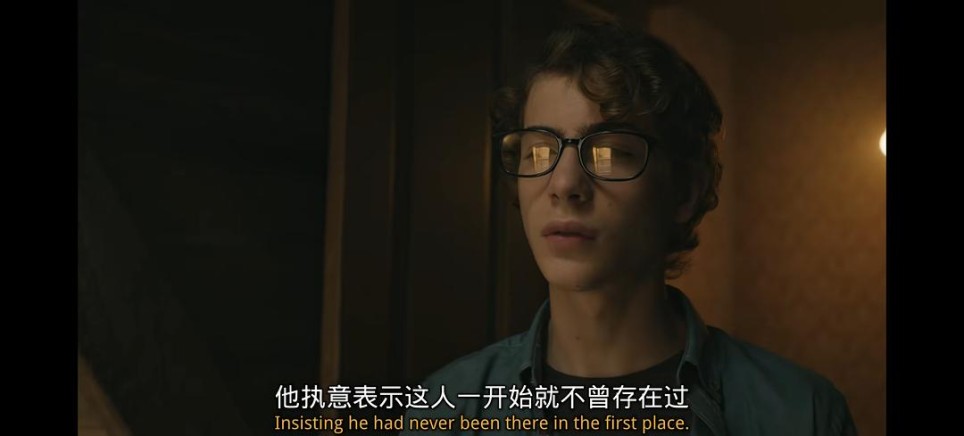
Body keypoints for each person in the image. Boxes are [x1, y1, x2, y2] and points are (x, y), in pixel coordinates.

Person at [401, 22, 856, 436]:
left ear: (684, 191)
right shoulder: (447, 410)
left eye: (609, 152)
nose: (564, 184)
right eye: (539, 151)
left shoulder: (801, 415)